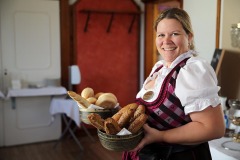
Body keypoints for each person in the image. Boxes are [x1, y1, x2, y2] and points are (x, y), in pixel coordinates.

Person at [122, 8, 225, 160]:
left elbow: (213, 129)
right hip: (150, 154)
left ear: (189, 37)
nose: (166, 41)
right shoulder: (160, 67)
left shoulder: (192, 70)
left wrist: (161, 136)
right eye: (161, 35)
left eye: (174, 34)